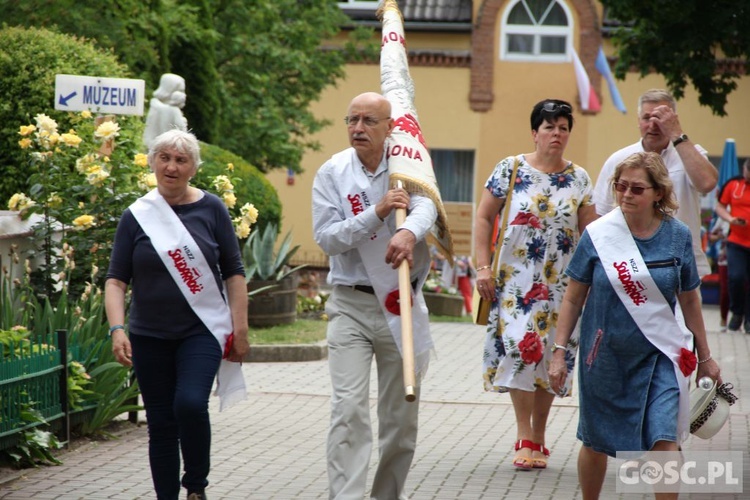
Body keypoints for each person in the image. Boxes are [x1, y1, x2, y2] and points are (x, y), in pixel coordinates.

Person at [549, 152, 721, 500]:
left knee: (663, 438)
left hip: (659, 355)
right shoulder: (599, 234)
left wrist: (704, 355)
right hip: (604, 356)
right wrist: (558, 352)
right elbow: (572, 298)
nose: (626, 194)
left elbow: (689, 298)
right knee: (594, 441)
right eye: (620, 186)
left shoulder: (678, 237)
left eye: (637, 189)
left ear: (658, 193)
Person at [105, 129, 249, 500]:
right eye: (164, 158)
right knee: (162, 424)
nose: (171, 166)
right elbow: (116, 281)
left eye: (181, 160)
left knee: (189, 403)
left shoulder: (212, 208)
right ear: (152, 162)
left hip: (200, 331)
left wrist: (241, 328)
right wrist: (117, 328)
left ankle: (196, 485)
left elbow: (234, 271)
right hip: (149, 335)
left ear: (193, 168)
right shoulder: (136, 216)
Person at [312, 91, 437, 499]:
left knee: (400, 419)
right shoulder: (332, 172)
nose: (358, 128)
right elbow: (328, 239)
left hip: (400, 305)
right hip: (349, 305)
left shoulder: (407, 164)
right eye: (352, 120)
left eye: (368, 121)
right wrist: (377, 213)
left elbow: (427, 206)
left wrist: (407, 231)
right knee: (348, 409)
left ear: (390, 128)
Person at [474, 99, 597, 470]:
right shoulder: (509, 169)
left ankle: (540, 436)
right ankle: (524, 432)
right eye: (549, 127)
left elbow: (590, 232)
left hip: (563, 284)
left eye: (563, 127)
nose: (556, 134)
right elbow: (483, 217)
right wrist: (481, 266)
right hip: (514, 281)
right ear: (534, 133)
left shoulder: (579, 178)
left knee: (550, 356)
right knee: (518, 349)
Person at [592, 88, 718, 279]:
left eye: (660, 118)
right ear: (638, 122)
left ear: (673, 120)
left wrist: (677, 134)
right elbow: (599, 216)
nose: (653, 125)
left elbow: (707, 183)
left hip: (681, 267)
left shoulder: (689, 153)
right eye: (647, 117)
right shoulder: (618, 159)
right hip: (630, 269)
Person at [714, 158, 750, 333]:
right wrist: (730, 219)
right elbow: (719, 207)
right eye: (747, 171)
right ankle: (737, 312)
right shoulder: (733, 184)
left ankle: (748, 319)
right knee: (736, 277)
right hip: (736, 240)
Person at [143, 73, 189, 149]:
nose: (184, 95)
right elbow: (183, 136)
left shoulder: (154, 106)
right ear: (169, 89)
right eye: (180, 91)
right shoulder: (173, 111)